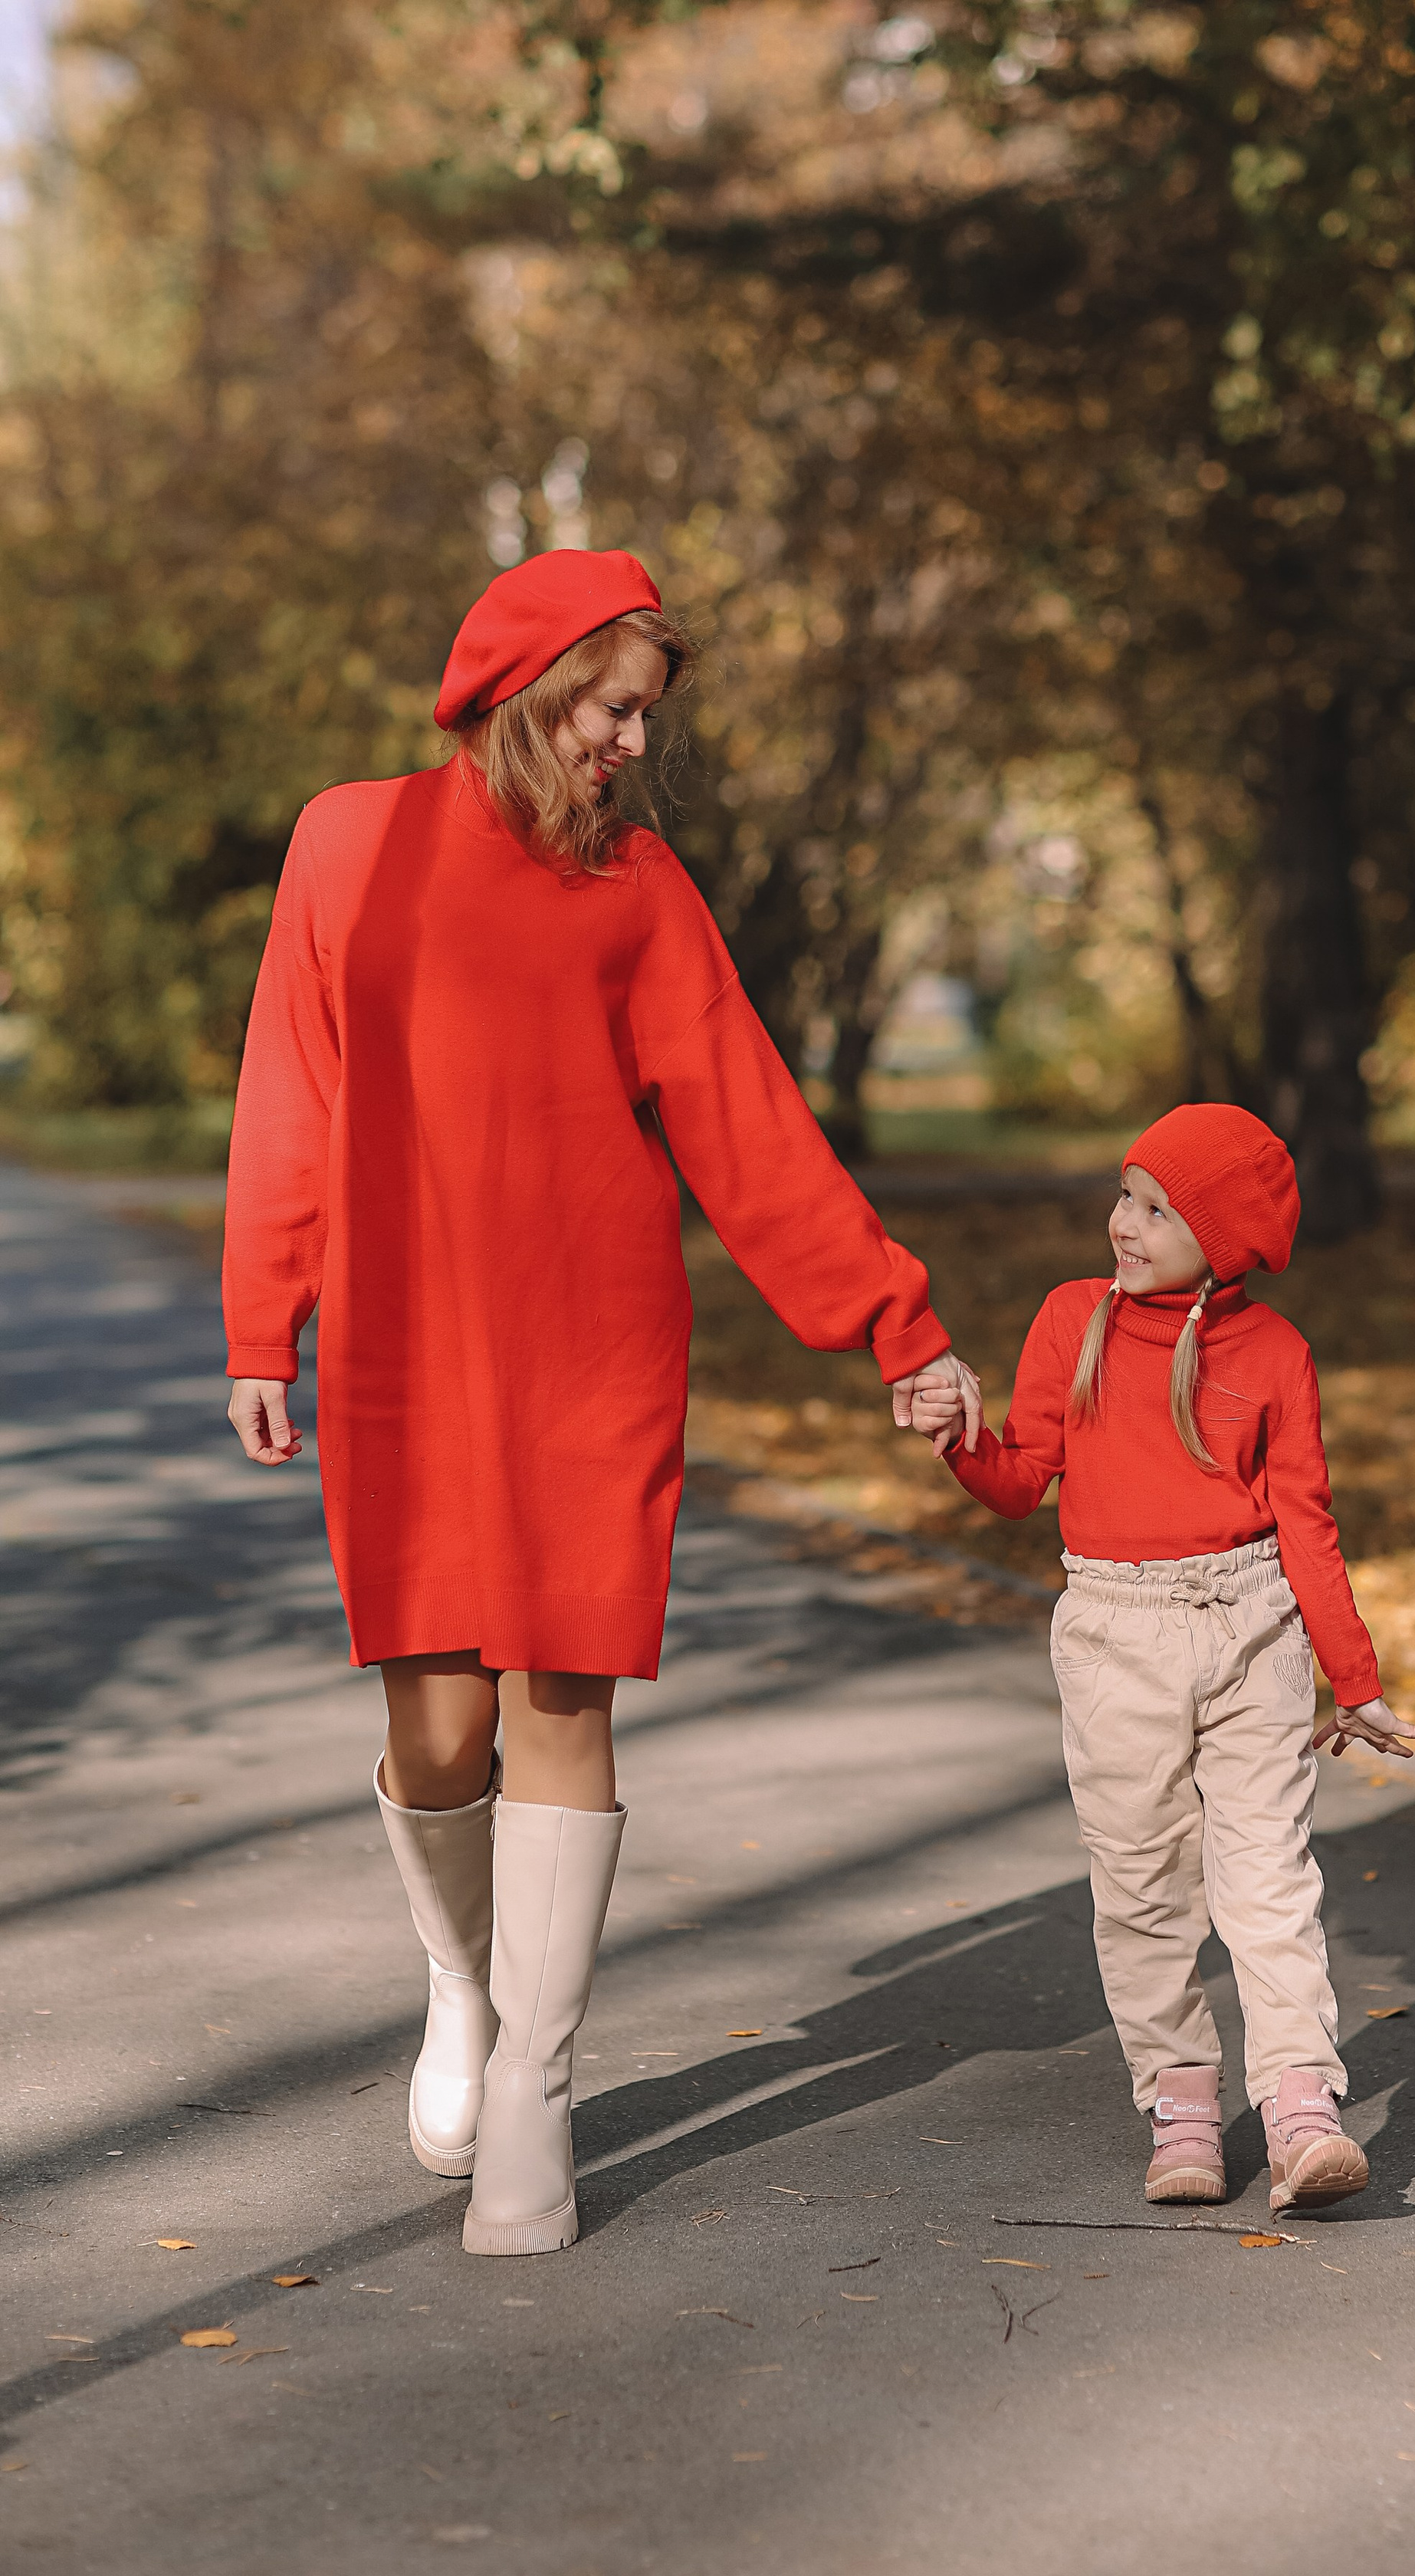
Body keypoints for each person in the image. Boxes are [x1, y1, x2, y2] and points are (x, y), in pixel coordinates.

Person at [223, 547, 980, 2257]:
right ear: (527, 682)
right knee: (436, 1729)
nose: (633, 743)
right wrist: (260, 1323)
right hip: (407, 1344)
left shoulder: (640, 888)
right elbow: (290, 1086)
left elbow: (749, 1126)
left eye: (646, 715)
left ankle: (537, 2097)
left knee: (560, 1699)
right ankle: (461, 1990)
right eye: (612, 707)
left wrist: (891, 1321)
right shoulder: (349, 843)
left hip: (591, 1347)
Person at [904, 1104, 1415, 2214]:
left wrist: (1359, 1681)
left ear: (1223, 1241)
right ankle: (1183, 2104)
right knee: (1141, 1880)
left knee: (1270, 1880)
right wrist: (960, 1437)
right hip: (1114, 1631)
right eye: (1124, 1195)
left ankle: (1298, 2108)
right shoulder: (1069, 1321)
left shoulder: (1275, 1354)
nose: (1121, 1223)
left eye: (1154, 1208)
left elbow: (1308, 1526)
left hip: (1256, 1629)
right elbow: (1015, 1482)